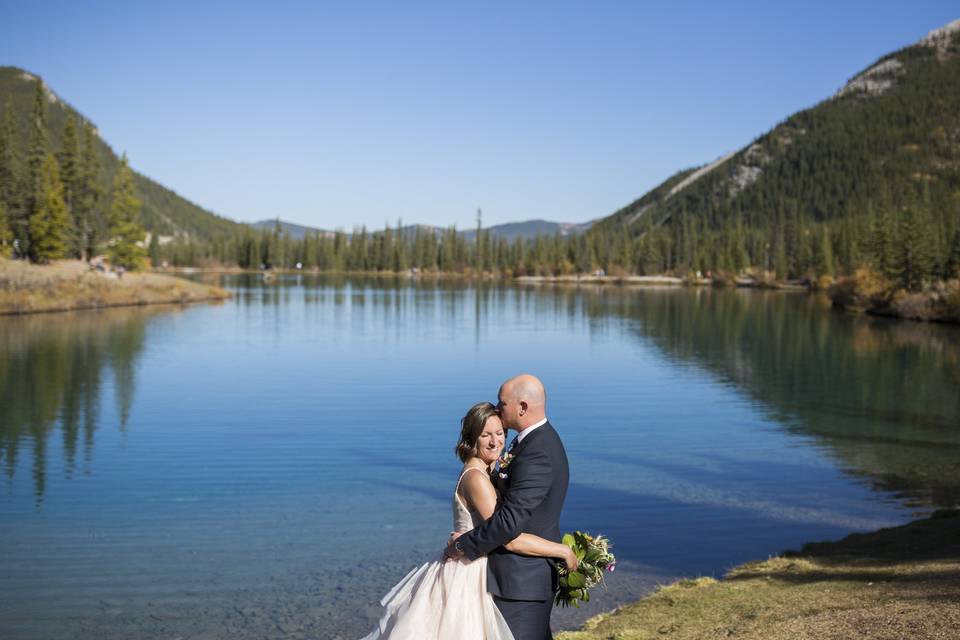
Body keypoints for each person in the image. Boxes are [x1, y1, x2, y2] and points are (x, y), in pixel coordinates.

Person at [360, 399, 576, 640]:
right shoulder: (477, 479)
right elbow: (508, 537)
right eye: (486, 435)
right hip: (469, 573)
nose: (496, 442)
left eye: (499, 433)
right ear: (472, 439)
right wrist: (562, 551)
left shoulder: (485, 471)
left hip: (478, 565)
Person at [446, 374, 569, 640]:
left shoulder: (537, 452)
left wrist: (462, 545)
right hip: (514, 580)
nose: (498, 409)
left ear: (522, 407)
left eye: (502, 404)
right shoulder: (531, 442)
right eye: (486, 435)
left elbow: (508, 523)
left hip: (521, 583)